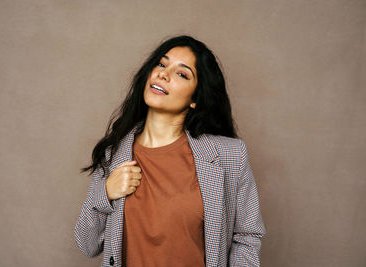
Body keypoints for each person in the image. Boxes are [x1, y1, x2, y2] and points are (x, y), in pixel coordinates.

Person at [74, 35, 266, 267]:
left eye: (182, 74)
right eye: (161, 64)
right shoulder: (114, 154)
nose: (163, 74)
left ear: (195, 98)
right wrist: (105, 194)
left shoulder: (229, 155)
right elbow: (87, 244)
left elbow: (247, 236)